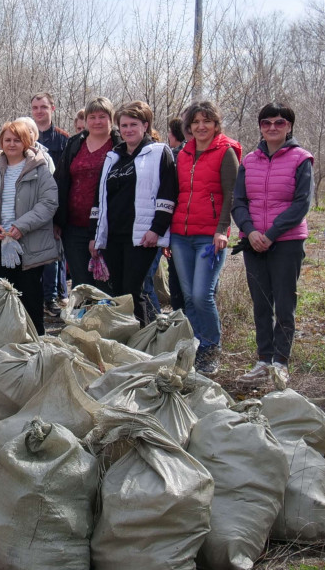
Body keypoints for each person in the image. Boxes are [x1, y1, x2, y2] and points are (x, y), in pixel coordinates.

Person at [231, 103, 313, 384]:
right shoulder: (249, 160)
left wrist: (272, 233)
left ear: (289, 126)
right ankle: (263, 360)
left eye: (279, 122)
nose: (272, 127)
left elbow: (301, 204)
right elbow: (239, 202)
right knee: (261, 304)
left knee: (284, 303)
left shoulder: (302, 159)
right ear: (260, 127)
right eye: (266, 123)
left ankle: (281, 362)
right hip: (252, 242)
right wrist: (251, 231)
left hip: (286, 242)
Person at [169, 100, 242, 375]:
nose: (201, 126)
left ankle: (212, 348)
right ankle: (196, 346)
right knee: (188, 296)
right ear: (189, 126)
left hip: (209, 237)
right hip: (180, 235)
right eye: (196, 122)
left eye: (206, 121)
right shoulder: (182, 154)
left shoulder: (225, 152)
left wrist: (222, 230)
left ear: (215, 124)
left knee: (202, 295)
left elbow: (231, 195)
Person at [91, 101, 178, 324]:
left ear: (145, 125)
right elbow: (99, 198)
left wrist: (156, 229)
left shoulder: (159, 152)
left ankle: (143, 340)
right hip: (112, 235)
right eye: (124, 125)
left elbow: (167, 195)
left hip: (141, 236)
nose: (128, 130)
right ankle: (124, 340)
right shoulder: (113, 157)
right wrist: (95, 235)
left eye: (133, 124)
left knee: (133, 289)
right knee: (118, 291)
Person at [0, 121, 59, 335]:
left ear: (26, 142)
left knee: (30, 297)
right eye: (7, 140)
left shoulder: (39, 168)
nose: (12, 144)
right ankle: (9, 344)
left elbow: (49, 203)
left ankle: (36, 344)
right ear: (1, 142)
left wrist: (21, 226)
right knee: (6, 297)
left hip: (29, 243)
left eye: (17, 139)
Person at [54, 97, 121, 291]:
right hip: (73, 227)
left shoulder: (119, 144)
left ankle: (105, 321)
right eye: (92, 117)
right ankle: (83, 321)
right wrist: (57, 220)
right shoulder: (76, 143)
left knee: (105, 283)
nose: (97, 121)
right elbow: (61, 180)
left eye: (103, 116)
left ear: (111, 118)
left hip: (108, 227)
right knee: (81, 283)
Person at [31, 92, 71, 317]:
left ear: (52, 109)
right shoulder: (24, 136)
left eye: (43, 107)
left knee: (52, 256)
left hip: (52, 207)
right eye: (35, 107)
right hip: (27, 208)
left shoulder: (64, 139)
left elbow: (65, 180)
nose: (39, 111)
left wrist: (59, 218)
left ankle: (51, 298)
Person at [163, 117, 187, 311]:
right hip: (176, 226)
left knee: (180, 281)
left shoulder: (175, 156)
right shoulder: (174, 154)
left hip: (181, 227)